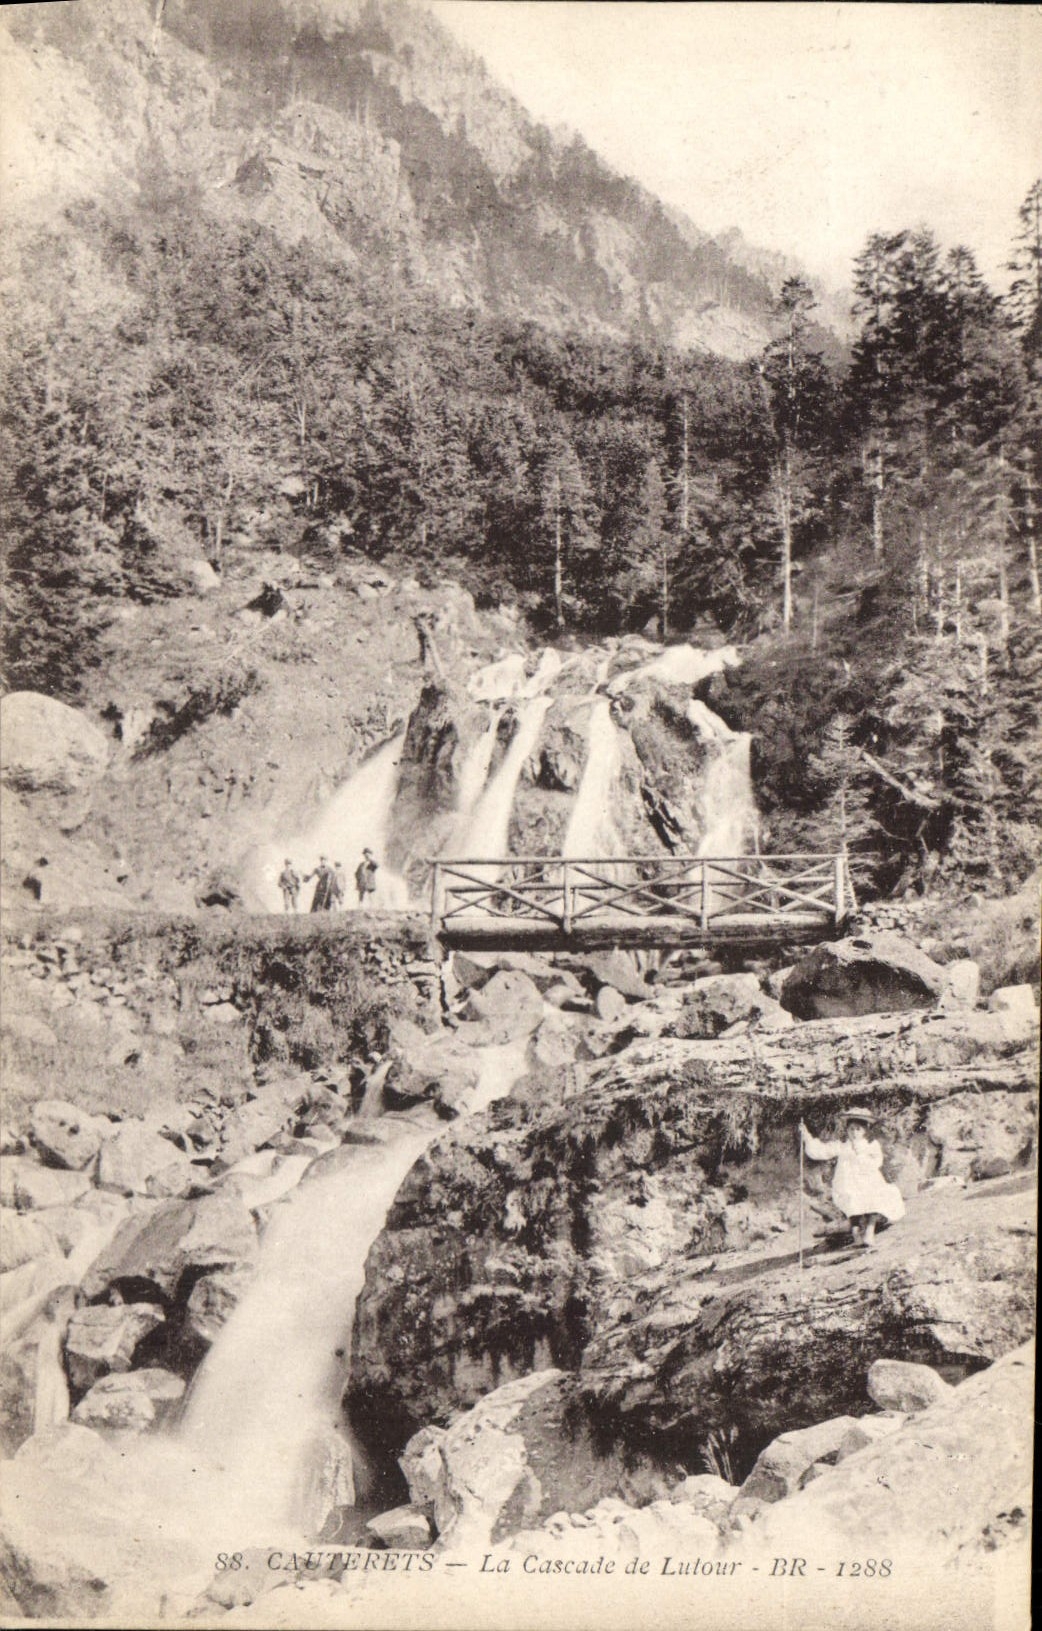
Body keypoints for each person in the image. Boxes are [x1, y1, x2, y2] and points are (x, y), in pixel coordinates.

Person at [800, 1107, 905, 1249]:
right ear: (847, 1130)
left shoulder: (871, 1145)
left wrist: (862, 1156)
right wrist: (806, 1136)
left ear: (865, 1131)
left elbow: (877, 1162)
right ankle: (856, 1236)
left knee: (875, 1200)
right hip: (847, 1183)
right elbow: (820, 1151)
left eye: (858, 1129)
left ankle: (869, 1233)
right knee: (853, 1206)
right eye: (851, 1129)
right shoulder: (842, 1146)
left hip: (868, 1180)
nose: (854, 1133)